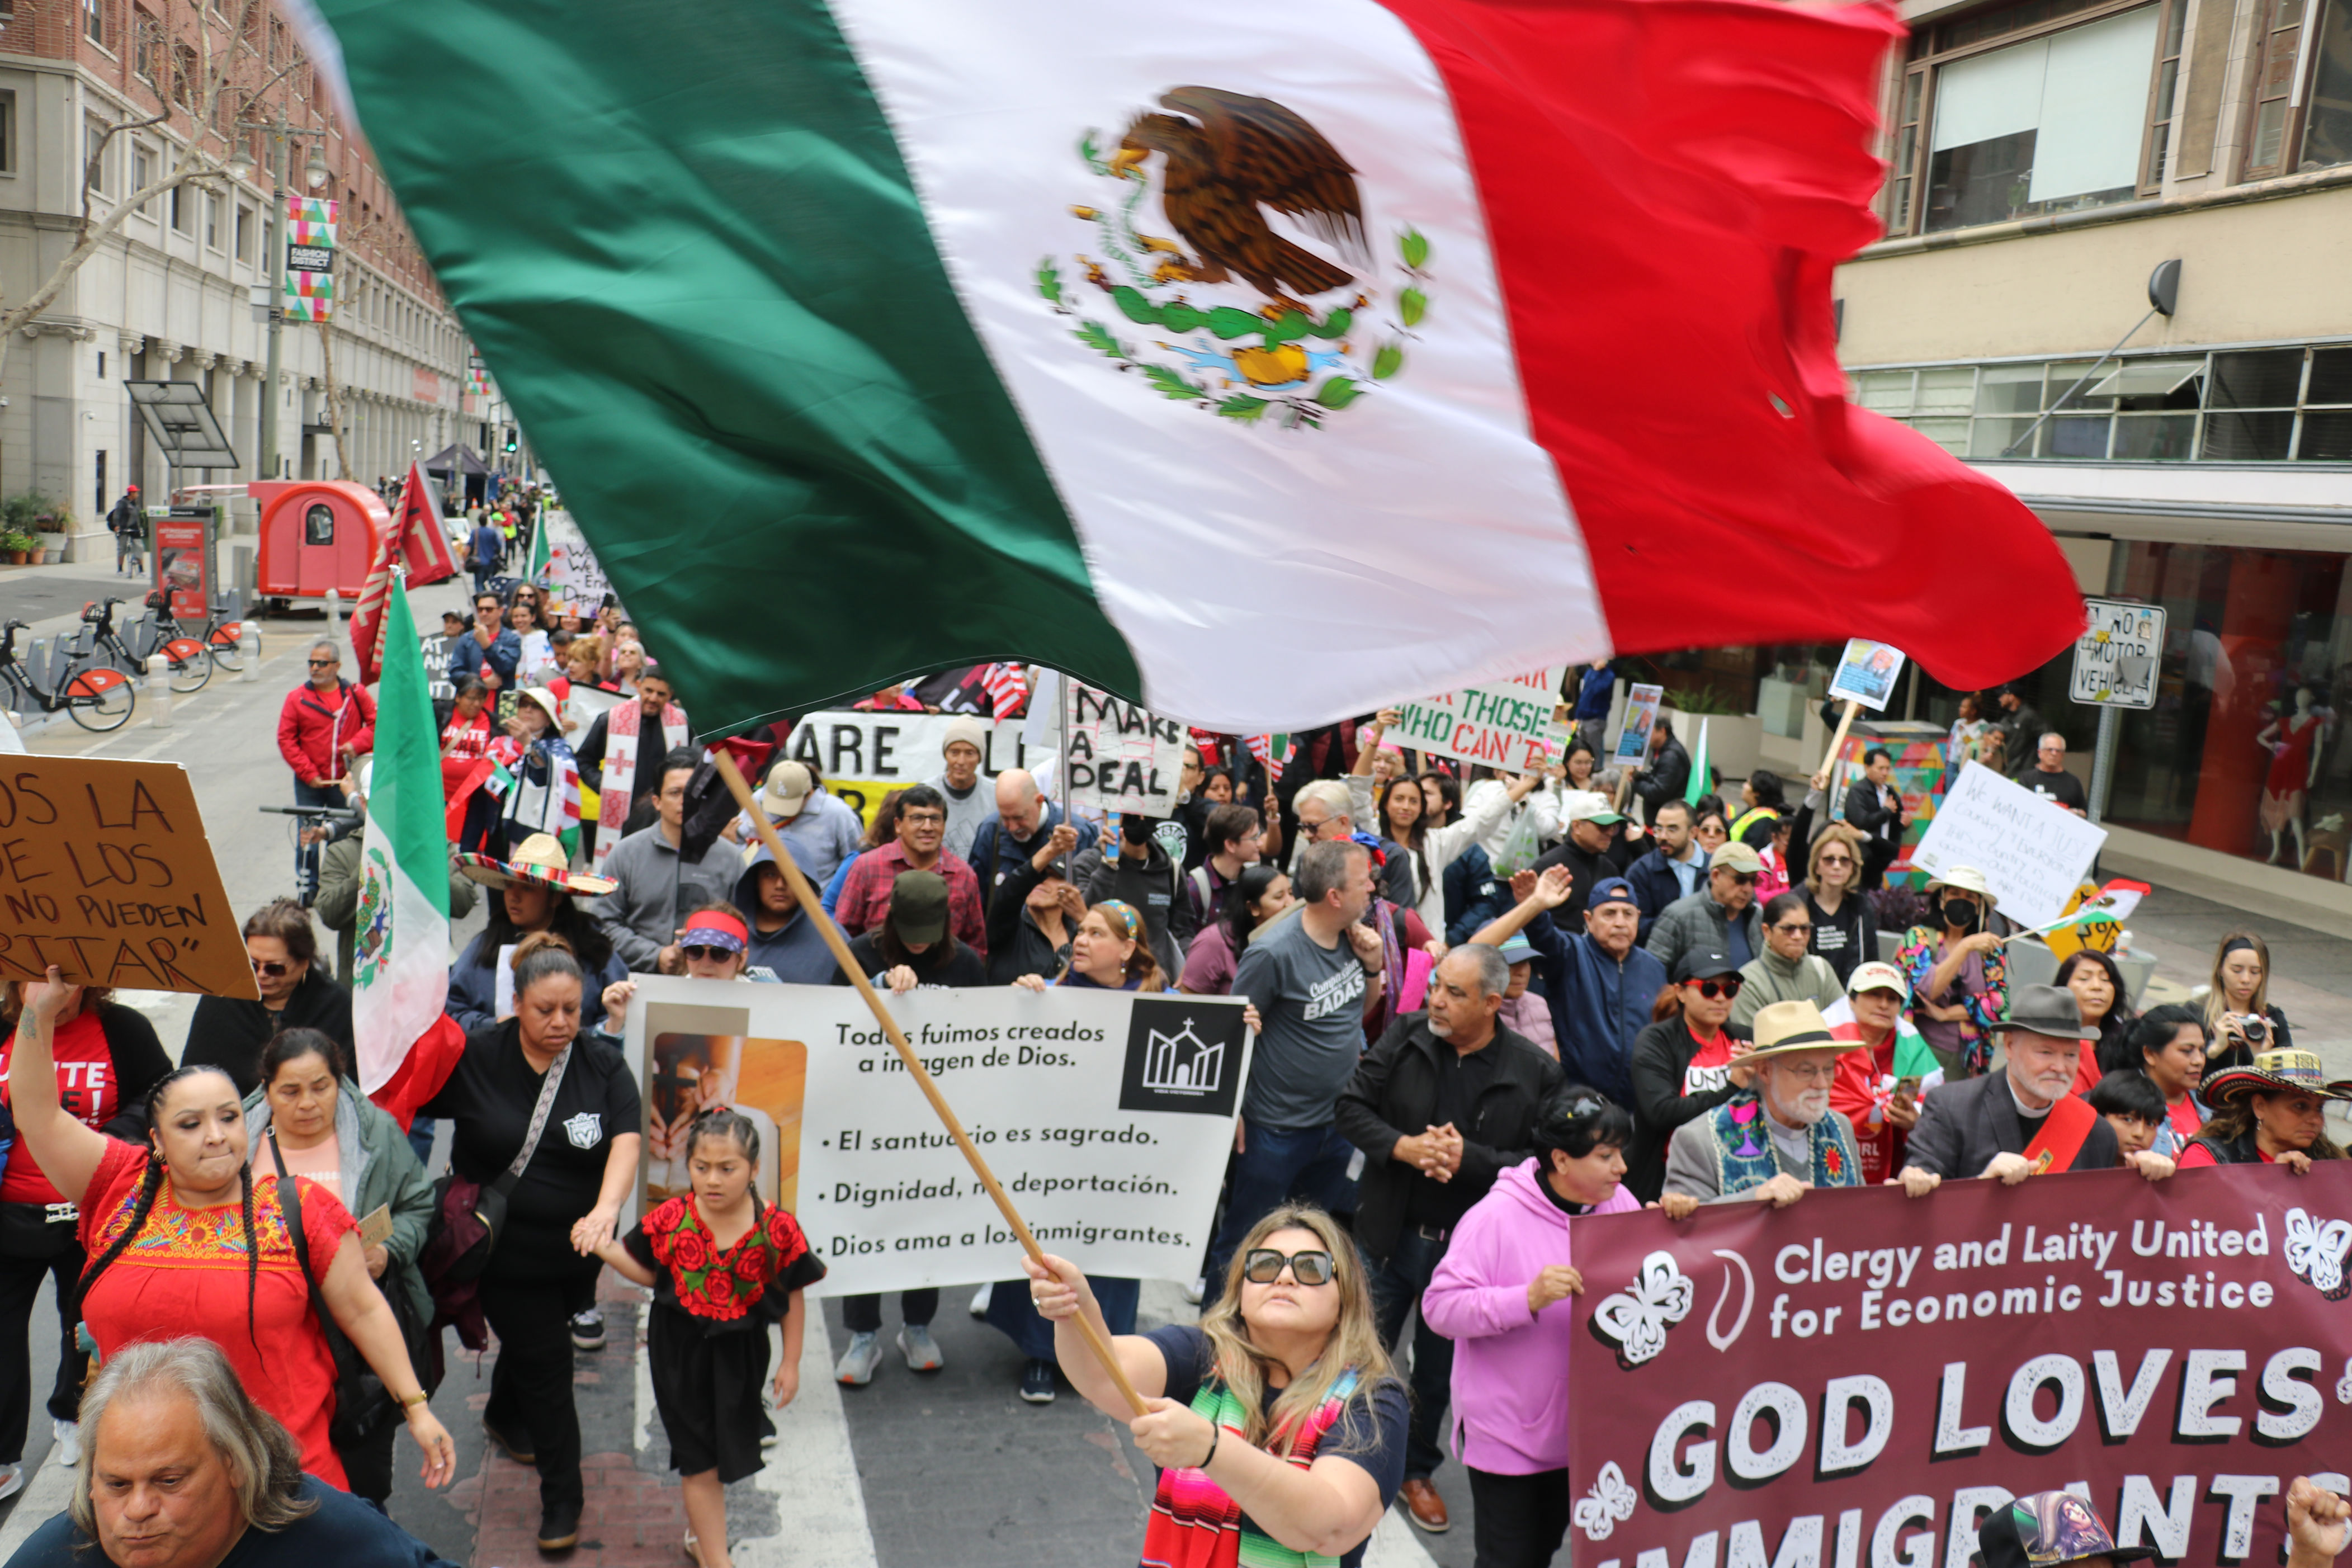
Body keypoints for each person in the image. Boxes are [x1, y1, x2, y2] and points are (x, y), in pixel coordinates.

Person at [9, 970, 454, 1496]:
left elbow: (362, 1309)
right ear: (157, 1140)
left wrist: (417, 1408)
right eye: (191, 1124)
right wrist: (36, 1013)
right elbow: (37, 1115)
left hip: (281, 1485)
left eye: (228, 1117)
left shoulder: (300, 1210)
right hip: (144, 1491)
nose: (216, 1135)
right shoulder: (118, 1188)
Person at [1022, 1205, 1408, 1568]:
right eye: (1265, 1264)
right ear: (1241, 1291)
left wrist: (1212, 1448)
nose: (1285, 1277)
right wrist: (1076, 1307)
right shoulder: (1202, 1356)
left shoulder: (1373, 1399)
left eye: (1311, 1268)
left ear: (1346, 1299)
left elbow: (1328, 1527)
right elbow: (1104, 1373)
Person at [417, 937, 641, 1550]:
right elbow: (407, 1088)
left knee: (539, 1337)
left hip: (577, 1250)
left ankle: (503, 1412)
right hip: (503, 1253)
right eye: (546, 1009)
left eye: (572, 1008)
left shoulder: (601, 1063)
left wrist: (606, 1208)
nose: (561, 1022)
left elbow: (626, 1137)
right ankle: (563, 1497)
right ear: (516, 1003)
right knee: (549, 1365)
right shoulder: (479, 1055)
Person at [1332, 946, 1560, 1536]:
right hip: (1387, 1232)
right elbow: (1350, 1106)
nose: (1435, 998)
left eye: (1454, 992)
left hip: (1465, 1253)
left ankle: (1414, 1470)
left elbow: (1543, 1163)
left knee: (1436, 1372)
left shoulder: (1535, 1069)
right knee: (1356, 1352)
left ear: (1492, 1002)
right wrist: (1403, 1147)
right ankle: (1337, 1455)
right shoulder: (1405, 1036)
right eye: (1435, 985)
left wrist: (1471, 1160)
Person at [579, 1111, 823, 1568]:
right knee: (700, 1460)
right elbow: (652, 1275)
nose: (713, 1180)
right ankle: (717, 1560)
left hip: (742, 1357)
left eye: (727, 1168)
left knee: (727, 1449)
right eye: (701, 1167)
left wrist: (791, 1362)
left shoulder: (778, 1229)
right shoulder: (671, 1218)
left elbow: (792, 1295)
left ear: (753, 1168)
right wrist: (607, 1250)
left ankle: (700, 1537)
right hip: (679, 1353)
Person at [4, 1338, 461, 1568]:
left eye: (169, 1480)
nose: (138, 1510)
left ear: (235, 1464)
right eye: (117, 1484)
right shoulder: (58, 1555)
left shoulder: (336, 1539)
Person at [993, 903, 1203, 1402]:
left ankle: (1105, 1358)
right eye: (1079, 931)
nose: (1079, 940)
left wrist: (1241, 1027)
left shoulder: (1165, 1004)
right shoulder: (1053, 995)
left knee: (1110, 1255)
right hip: (1059, 1161)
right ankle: (1042, 1355)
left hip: (1124, 1166)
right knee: (1053, 1254)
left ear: (1128, 949)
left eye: (1094, 933)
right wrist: (1020, 1002)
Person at [1422, 1088, 1640, 1568]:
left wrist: (1679, 1218)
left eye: (1620, 1154)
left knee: (1540, 1553)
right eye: (1606, 1156)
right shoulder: (1494, 1218)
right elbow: (1440, 1309)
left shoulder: (1619, 1201)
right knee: (1508, 1561)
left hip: (1584, 1431)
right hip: (1509, 1437)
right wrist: (1526, 1299)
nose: (1621, 1168)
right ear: (1561, 1159)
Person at [242, 1031, 437, 1505]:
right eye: (290, 1091)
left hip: (357, 1346)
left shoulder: (376, 1135)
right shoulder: (237, 1143)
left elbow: (419, 1205)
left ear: (340, 1082)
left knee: (363, 1478)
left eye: (321, 1087)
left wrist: (387, 1251)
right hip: (272, 1341)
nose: (308, 1104)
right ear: (266, 1090)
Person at [0, 981, 168, 1498]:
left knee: (86, 1322)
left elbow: (158, 1094)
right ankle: (3, 1455)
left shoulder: (123, 1030)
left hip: (92, 1211)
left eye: (69, 978)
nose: (57, 990)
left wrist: (111, 1140)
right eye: (41, 979)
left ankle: (74, 1412)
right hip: (10, 1214)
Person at [1202, 841, 1387, 1304]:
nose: (1373, 887)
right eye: (1363, 880)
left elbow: (1358, 1013)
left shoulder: (1356, 937)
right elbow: (1232, 1034)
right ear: (1335, 896)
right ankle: (1213, 1350)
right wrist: (1234, 1111)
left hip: (1335, 1126)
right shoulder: (1271, 954)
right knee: (1246, 1244)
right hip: (1275, 1131)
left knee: (1307, 1243)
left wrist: (1372, 968)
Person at [1898, 986, 2175, 1194]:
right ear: (2009, 1046)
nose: (2060, 1067)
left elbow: (2099, 1220)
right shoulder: (1950, 1107)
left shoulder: (2094, 1130)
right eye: (2045, 1052)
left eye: (2070, 1055)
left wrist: (2143, 1178)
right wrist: (1981, 1186)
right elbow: (1923, 1194)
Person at [1471, 870, 1664, 1111]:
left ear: (1639, 917)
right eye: (1609, 914)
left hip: (1639, 1105)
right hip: (1578, 1101)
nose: (1620, 922)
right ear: (1588, 919)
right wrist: (1535, 906)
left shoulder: (1655, 969)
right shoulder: (1571, 954)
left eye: (1628, 914)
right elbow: (1543, 935)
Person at [1657, 1000, 1862, 1214]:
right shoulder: (1700, 1139)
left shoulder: (1841, 1127)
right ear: (1764, 1071)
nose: (1821, 1084)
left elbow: (1858, 1214)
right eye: (1806, 1071)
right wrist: (1754, 1199)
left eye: (1828, 1069)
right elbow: (1684, 1232)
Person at [448, 835, 629, 1036]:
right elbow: (451, 1011)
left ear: (555, 898)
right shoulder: (486, 946)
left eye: (527, 888)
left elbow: (619, 1013)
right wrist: (495, 1025)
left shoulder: (593, 949)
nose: (514, 897)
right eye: (510, 886)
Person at [317, 764, 482, 984]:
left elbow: (464, 903)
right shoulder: (342, 853)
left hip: (426, 981)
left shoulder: (438, 849)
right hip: (366, 986)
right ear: (365, 805)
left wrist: (420, 859)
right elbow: (330, 914)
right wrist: (372, 860)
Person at [185, 902, 355, 1099]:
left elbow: (351, 1085)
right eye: (252, 965)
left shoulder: (334, 1005)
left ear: (304, 963)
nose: (261, 975)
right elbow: (192, 1080)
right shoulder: (222, 999)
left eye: (274, 968)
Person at [588, 753, 735, 973]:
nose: (685, 801)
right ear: (656, 801)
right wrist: (655, 955)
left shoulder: (730, 858)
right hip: (636, 981)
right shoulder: (625, 854)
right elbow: (603, 923)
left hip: (710, 983)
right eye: (675, 793)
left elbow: (743, 925)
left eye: (693, 792)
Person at [833, 784, 986, 954]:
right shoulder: (867, 867)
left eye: (935, 819)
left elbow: (975, 944)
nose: (927, 827)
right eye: (917, 818)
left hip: (943, 976)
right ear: (898, 825)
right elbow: (843, 934)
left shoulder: (963, 875)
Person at [276, 643, 375, 903]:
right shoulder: (296, 698)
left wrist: (356, 744)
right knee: (308, 834)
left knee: (340, 834)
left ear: (337, 666)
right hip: (310, 783)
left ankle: (335, 889)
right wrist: (308, 773)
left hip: (345, 782)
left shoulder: (355, 694)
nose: (315, 668)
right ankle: (307, 889)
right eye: (312, 663)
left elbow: (378, 724)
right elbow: (286, 740)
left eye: (322, 663)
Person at [574, 669, 691, 870]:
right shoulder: (611, 719)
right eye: (649, 690)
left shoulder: (682, 725)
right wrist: (604, 785)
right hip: (621, 815)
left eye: (661, 694)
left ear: (670, 696)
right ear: (638, 686)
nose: (653, 698)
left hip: (661, 817)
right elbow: (584, 760)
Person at [1825, 962, 1928, 1186]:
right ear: (1851, 1001)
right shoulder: (1826, 1047)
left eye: (1893, 999)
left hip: (1895, 1179)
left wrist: (1917, 1123)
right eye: (1874, 995)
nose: (1884, 1005)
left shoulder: (1914, 1054)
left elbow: (1931, 1115)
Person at [1899, 865, 2006, 1078]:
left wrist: (1945, 1014)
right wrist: (1964, 947)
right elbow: (1925, 992)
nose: (1961, 900)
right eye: (1955, 894)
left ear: (1979, 907)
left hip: (1968, 1062)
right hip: (1920, 1052)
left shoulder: (1989, 951)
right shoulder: (1919, 938)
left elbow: (1999, 1007)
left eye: (1970, 897)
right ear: (1941, 900)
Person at [2178, 1048, 2349, 1169]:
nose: (2316, 1120)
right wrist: (2271, 1179)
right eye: (2300, 1106)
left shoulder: (2330, 1164)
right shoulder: (2209, 1155)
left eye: (2319, 1108)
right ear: (2260, 1106)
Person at [970, 769, 1099, 915]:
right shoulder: (992, 830)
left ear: (1039, 801)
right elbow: (976, 900)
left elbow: (1092, 899)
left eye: (1019, 818)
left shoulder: (1078, 833)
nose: (1012, 827)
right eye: (1005, 818)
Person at [837, 871, 986, 993]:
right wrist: (881, 983)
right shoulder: (862, 953)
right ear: (891, 915)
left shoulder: (965, 961)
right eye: (910, 931)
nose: (919, 942)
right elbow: (834, 1005)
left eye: (929, 932)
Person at [730, 760, 867, 887]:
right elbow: (737, 842)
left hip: (816, 905)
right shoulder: (757, 802)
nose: (782, 811)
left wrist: (829, 899)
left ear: (809, 794)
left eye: (788, 803)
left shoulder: (839, 814)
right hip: (763, 902)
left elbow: (854, 863)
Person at [984, 821, 1085, 986]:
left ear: (1071, 888)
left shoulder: (1079, 934)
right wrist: (1051, 849)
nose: (1040, 882)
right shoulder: (1008, 925)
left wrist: (1083, 918)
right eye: (1038, 875)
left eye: (1053, 876)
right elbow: (1008, 893)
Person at [1290, 779, 1415, 911]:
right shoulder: (1307, 860)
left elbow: (1403, 921)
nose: (1307, 835)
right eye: (1303, 827)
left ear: (1343, 822)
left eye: (1313, 827)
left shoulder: (1391, 856)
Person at [1646, 838, 1765, 976]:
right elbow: (1652, 974)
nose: (1748, 889)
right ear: (1716, 876)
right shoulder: (1679, 916)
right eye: (1740, 880)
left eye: (1753, 881)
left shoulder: (1757, 918)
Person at [488, 687, 582, 858]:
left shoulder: (560, 748)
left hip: (538, 836)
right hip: (498, 830)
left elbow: (555, 774)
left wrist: (529, 744)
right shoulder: (500, 744)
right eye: (523, 704)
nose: (528, 709)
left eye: (536, 706)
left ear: (548, 721)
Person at [730, 842, 842, 984]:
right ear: (756, 880)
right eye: (770, 875)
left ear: (806, 882)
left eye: (790, 875)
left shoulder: (833, 938)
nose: (780, 885)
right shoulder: (728, 933)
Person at [1731, 891, 1843, 1030]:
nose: (1798, 936)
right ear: (1767, 931)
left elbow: (1843, 1025)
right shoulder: (1749, 982)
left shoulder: (1821, 969)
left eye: (1804, 928)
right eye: (1789, 929)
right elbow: (1749, 1042)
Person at [1179, 863, 1292, 998]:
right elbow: (1189, 1004)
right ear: (1254, 907)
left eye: (1291, 894)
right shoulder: (1213, 942)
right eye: (1279, 897)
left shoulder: (1290, 936)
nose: (1291, 903)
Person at [1523, 792, 1624, 931]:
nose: (1609, 833)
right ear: (1577, 826)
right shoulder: (1548, 866)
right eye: (1603, 826)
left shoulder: (1610, 869)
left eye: (1613, 827)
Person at [2120, 1004, 2208, 1154]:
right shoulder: (2123, 1108)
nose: (2198, 1060)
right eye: (2187, 1051)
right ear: (2150, 1054)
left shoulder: (2210, 1106)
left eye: (2202, 1050)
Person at [1796, 824, 1875, 985]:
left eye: (1845, 860)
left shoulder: (1862, 908)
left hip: (1850, 1001)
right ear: (1816, 866)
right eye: (1829, 860)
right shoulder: (1799, 906)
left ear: (1853, 867)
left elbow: (1871, 963)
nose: (1837, 866)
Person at [2203, 931, 2294, 1064]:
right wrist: (2215, 1049)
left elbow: (2288, 1078)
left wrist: (2263, 1058)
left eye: (2255, 972)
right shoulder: (2199, 1014)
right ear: (2220, 970)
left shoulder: (2273, 1018)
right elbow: (2181, 1075)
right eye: (2236, 970)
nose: (2246, 979)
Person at [1624, 799, 1706, 943]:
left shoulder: (1714, 869)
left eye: (1672, 829)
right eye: (1659, 829)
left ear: (1693, 833)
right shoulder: (1641, 872)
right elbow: (1637, 925)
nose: (1663, 837)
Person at [2057, 948, 2137, 1087]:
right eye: (2084, 979)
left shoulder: (2128, 1041)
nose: (2097, 987)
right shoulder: (2046, 1035)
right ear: (2063, 986)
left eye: (2105, 979)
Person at [1183, 803, 1264, 933]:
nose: (1260, 843)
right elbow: (1187, 940)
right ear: (1230, 845)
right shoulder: (1195, 889)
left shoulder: (1250, 883)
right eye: (1254, 838)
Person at [927, 715, 994, 861]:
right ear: (945, 754)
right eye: (954, 752)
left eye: (970, 753)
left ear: (979, 757)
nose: (961, 761)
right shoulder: (926, 793)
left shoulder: (995, 795)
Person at [1840, 748, 1906, 889]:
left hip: (1883, 852)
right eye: (1881, 768)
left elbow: (1896, 819)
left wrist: (1904, 822)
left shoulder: (1889, 791)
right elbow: (1863, 822)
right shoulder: (1858, 791)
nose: (1885, 773)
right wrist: (1886, 811)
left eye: (1888, 768)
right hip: (1863, 855)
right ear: (1867, 767)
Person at [446, 592, 521, 693]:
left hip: (500, 703)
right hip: (471, 703)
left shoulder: (512, 639)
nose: (484, 613)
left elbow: (505, 667)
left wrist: (487, 645)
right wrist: (480, 683)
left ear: (501, 611)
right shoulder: (466, 639)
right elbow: (455, 674)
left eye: (489, 610)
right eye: (480, 610)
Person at [2086, 1069, 2167, 1159]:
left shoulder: (2158, 1171)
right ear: (2100, 1117)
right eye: (2128, 1120)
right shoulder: (2075, 1165)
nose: (2140, 1133)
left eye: (2150, 1124)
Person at [1632, 714, 1691, 820]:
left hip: (1667, 818)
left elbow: (1658, 793)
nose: (1645, 735)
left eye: (1649, 730)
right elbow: (1655, 777)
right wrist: (1639, 775)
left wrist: (1634, 782)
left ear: (1662, 731)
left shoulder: (1671, 757)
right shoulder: (1659, 749)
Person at [2019, 733, 2088, 814]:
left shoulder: (2073, 782)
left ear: (2063, 755)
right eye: (2050, 750)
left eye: (2058, 751)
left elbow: (2084, 813)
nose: (2054, 754)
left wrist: (2075, 812)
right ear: (2039, 753)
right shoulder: (2027, 779)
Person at [1991, 684, 2044, 773]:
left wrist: (2042, 761)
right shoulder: (2006, 720)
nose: (1999, 699)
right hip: (2007, 769)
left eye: (2002, 696)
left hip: (2025, 770)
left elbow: (2047, 737)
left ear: (2012, 697)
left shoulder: (2029, 716)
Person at [106, 485, 143, 577]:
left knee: (139, 547)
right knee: (122, 548)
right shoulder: (122, 503)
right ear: (131, 494)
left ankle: (141, 570)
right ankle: (120, 569)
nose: (137, 495)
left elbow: (138, 518)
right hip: (123, 528)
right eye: (136, 493)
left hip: (135, 529)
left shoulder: (136, 504)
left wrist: (141, 528)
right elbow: (117, 515)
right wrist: (116, 526)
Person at [1946, 692, 1989, 769]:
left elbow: (1974, 745)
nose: (1960, 709)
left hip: (1969, 764)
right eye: (1961, 706)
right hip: (1953, 763)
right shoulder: (1958, 723)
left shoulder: (1983, 726)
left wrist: (1964, 733)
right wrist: (1947, 760)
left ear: (1973, 711)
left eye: (1964, 707)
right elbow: (1950, 743)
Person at [467, 508, 504, 595]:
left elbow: (469, 546)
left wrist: (465, 559)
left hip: (479, 561)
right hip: (490, 561)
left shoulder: (475, 532)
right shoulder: (492, 532)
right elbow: (499, 546)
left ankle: (481, 597)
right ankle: (487, 596)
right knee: (487, 581)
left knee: (479, 583)